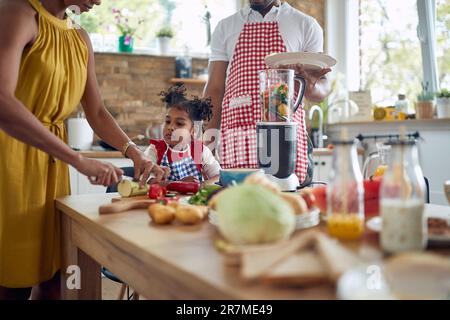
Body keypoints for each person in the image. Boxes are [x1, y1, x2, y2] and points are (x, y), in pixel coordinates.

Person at [0, 0, 168, 300]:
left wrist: (134, 152)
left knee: (55, 281)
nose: (99, 1)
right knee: (10, 283)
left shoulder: (79, 36)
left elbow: (97, 111)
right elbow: (3, 102)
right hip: (8, 165)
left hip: (49, 170)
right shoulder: (18, 14)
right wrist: (78, 159)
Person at [204, 0, 331, 186]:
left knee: (286, 201)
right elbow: (214, 90)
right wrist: (206, 145)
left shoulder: (305, 25)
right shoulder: (225, 27)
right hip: (238, 137)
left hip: (284, 141)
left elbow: (321, 89)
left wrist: (310, 83)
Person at [145, 85, 221, 184]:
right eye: (168, 121)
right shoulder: (154, 149)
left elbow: (219, 176)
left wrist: (201, 185)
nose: (170, 127)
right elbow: (149, 182)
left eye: (179, 124)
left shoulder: (200, 151)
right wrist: (179, 184)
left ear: (193, 131)